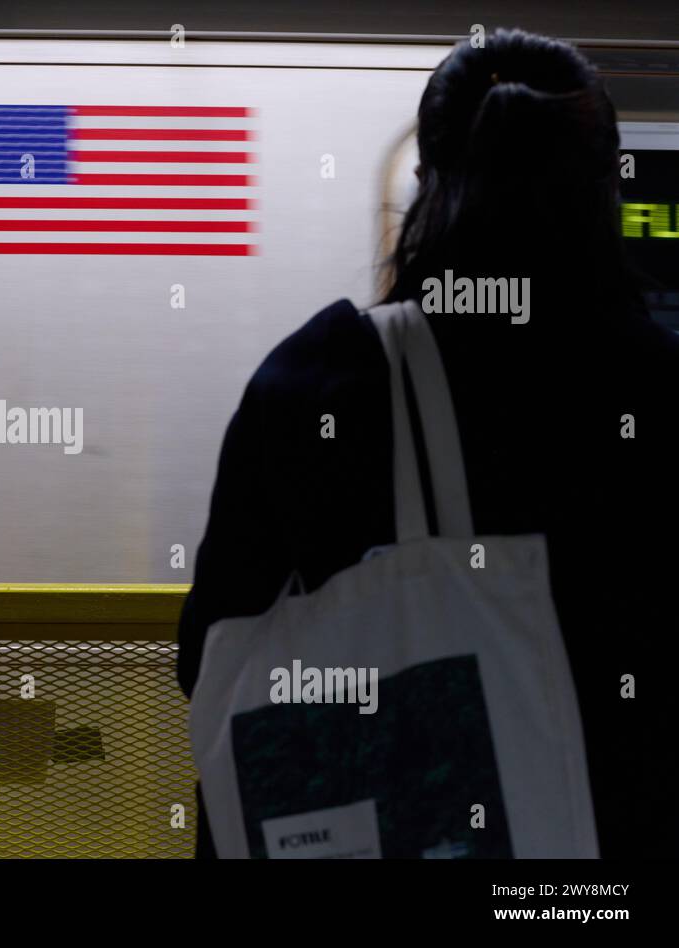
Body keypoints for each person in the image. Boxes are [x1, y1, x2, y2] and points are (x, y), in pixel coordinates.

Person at [179, 29, 679, 858]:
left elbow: (214, 654)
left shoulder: (323, 379)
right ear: (604, 195)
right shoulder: (656, 387)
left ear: (425, 186)